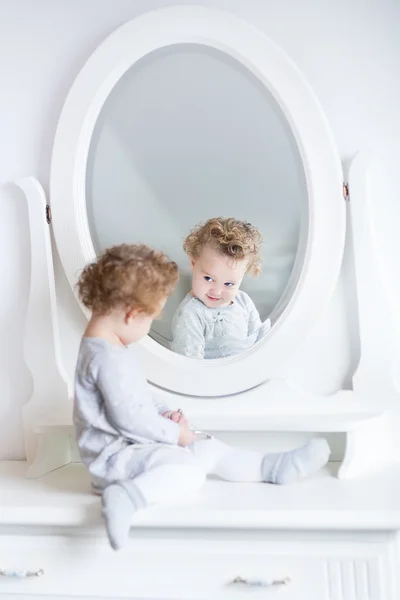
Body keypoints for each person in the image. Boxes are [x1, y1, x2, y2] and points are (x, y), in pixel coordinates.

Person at [74, 243, 331, 551]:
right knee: (190, 470)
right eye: (151, 320)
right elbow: (128, 418)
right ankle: (128, 496)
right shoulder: (106, 358)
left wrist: (166, 415)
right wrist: (174, 434)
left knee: (204, 445)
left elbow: (136, 396)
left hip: (134, 447)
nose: (148, 327)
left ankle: (271, 468)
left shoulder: (112, 349)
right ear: (133, 315)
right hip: (116, 461)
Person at [171, 217, 271, 359]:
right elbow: (190, 364)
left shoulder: (243, 301)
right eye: (209, 279)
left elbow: (259, 342)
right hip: (211, 378)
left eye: (229, 284)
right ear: (193, 263)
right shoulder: (191, 314)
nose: (216, 292)